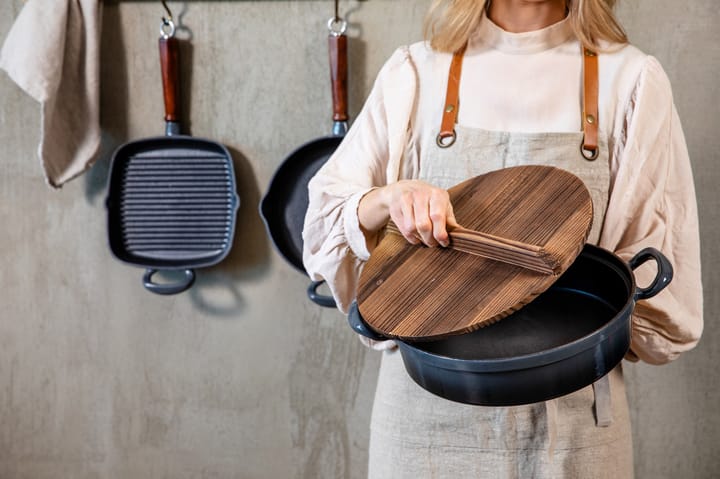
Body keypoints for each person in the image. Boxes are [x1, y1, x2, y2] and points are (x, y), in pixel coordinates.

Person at [302, 0, 703, 477]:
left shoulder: (632, 80)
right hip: (424, 420)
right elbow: (325, 220)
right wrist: (385, 200)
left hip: (574, 422)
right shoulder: (415, 73)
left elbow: (662, 307)